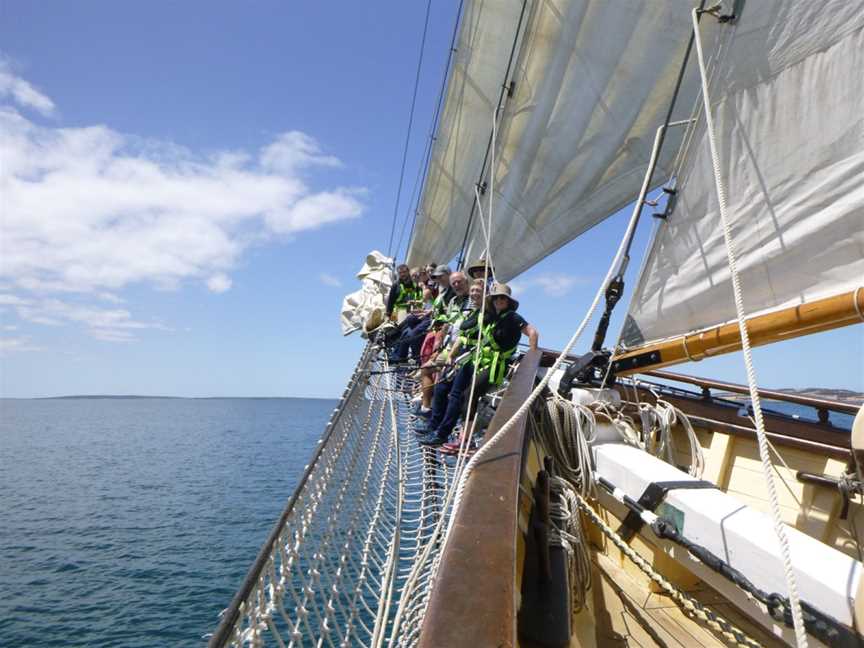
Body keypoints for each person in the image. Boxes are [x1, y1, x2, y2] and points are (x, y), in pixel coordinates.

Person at [417, 283, 538, 447]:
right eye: (496, 298)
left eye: (503, 298)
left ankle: (461, 439)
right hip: (477, 359)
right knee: (452, 392)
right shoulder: (489, 317)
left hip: (494, 365)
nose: (499, 301)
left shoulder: (513, 318)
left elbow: (532, 332)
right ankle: (444, 433)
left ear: (508, 301)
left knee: (469, 395)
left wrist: (532, 356)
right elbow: (468, 331)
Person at [391, 265, 454, 364]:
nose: (438, 279)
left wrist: (424, 310)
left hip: (437, 321)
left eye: (440, 276)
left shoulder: (443, 288)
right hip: (425, 315)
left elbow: (427, 299)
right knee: (406, 330)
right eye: (437, 277)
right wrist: (424, 311)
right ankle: (397, 357)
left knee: (412, 333)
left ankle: (418, 362)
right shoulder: (443, 290)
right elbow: (436, 307)